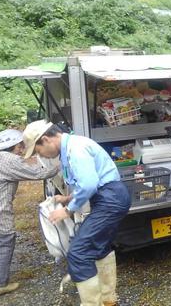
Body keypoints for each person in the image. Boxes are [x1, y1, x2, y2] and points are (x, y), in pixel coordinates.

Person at [23, 120, 131, 306]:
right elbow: (89, 180)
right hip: (110, 197)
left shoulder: (76, 149)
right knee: (99, 248)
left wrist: (67, 210)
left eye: (38, 151)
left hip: (110, 199)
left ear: (46, 139)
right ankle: (108, 300)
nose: (42, 156)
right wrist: (69, 198)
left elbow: (89, 184)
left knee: (78, 252)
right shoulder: (71, 147)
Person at [0, 129, 59, 296]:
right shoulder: (6, 160)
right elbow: (41, 172)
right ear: (13, 146)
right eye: (20, 147)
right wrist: (62, 161)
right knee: (4, 239)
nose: (22, 151)